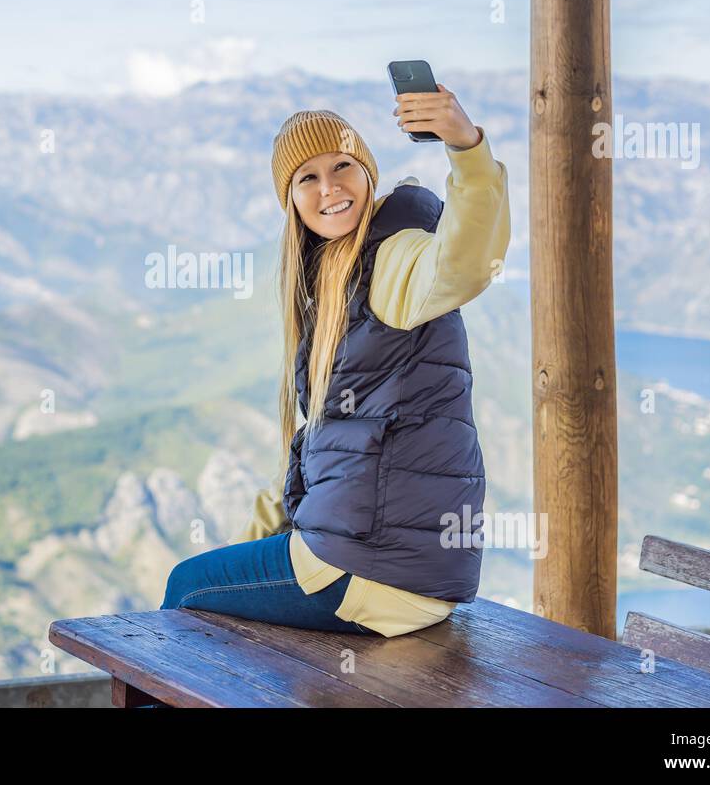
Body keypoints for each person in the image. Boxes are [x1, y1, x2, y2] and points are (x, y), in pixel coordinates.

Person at [160, 84, 510, 637]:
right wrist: (264, 539)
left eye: (342, 166)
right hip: (399, 566)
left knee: (187, 589)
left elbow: (466, 263)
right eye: (308, 178)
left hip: (372, 570)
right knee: (229, 604)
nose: (330, 189)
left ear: (368, 172)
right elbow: (323, 443)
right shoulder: (330, 283)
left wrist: (465, 146)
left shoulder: (394, 254)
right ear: (291, 198)